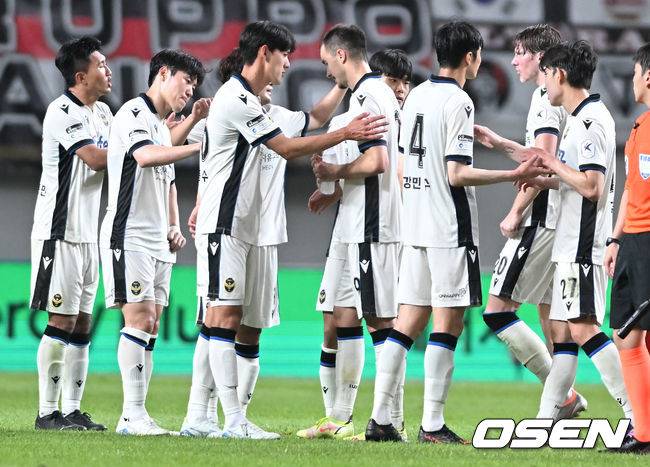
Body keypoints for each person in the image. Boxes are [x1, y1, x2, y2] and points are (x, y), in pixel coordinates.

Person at [194, 20, 386, 440]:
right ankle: (229, 421)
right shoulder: (235, 98)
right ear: (265, 52)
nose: (287, 65)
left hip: (252, 229)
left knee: (243, 324)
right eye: (285, 56)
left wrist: (344, 83)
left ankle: (216, 419)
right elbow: (285, 148)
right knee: (222, 317)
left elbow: (314, 118)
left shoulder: (262, 107)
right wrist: (346, 132)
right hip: (225, 224)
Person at [364, 21, 546, 443]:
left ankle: (380, 419)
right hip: (449, 229)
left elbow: (406, 165)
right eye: (479, 54)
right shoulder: (459, 101)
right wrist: (512, 174)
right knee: (447, 326)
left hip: (415, 227)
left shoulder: (415, 96)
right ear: (470, 56)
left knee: (406, 324)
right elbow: (457, 173)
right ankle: (432, 425)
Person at [513, 40, 633, 427]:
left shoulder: (591, 121)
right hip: (570, 243)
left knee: (582, 329)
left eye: (546, 73)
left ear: (560, 74)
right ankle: (546, 419)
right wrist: (542, 174)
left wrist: (550, 162)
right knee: (564, 335)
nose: (543, 82)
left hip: (583, 243)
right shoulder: (580, 118)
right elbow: (572, 179)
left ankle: (637, 415)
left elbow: (592, 187)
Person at [298, 44, 413, 441]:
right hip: (351, 227)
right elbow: (359, 172)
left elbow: (380, 163)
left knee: (381, 322)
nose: (327, 70)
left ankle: (392, 420)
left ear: (341, 55)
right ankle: (340, 418)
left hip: (373, 226)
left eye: (327, 61)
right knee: (343, 316)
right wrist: (330, 186)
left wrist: (335, 170)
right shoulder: (354, 108)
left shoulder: (372, 95)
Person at [473, 24, 586, 418]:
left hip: (543, 219)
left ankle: (563, 398)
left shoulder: (545, 99)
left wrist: (515, 211)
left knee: (497, 311)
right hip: (564, 220)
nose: (514, 60)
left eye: (520, 52)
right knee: (554, 321)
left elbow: (542, 163)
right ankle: (561, 404)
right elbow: (542, 158)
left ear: (540, 58)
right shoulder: (560, 98)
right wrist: (503, 144)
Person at [99, 49, 208, 435]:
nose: (190, 91)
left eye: (194, 86)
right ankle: (131, 416)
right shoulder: (133, 113)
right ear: (163, 74)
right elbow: (146, 157)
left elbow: (169, 181)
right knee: (140, 318)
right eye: (186, 81)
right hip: (128, 233)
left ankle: (139, 414)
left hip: (157, 239)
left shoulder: (161, 126)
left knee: (153, 325)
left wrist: (173, 224)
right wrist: (200, 146)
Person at [31, 36, 112, 431]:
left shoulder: (105, 114)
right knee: (61, 321)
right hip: (58, 232)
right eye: (101, 65)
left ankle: (73, 409)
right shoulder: (62, 111)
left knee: (81, 323)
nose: (108, 70)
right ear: (81, 76)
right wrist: (138, 148)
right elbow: (96, 159)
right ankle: (47, 413)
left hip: (87, 235)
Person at [605, 42, 650, 454]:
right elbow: (631, 189)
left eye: (634, 73)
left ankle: (646, 434)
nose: (632, 80)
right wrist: (616, 239)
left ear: (648, 76)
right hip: (632, 243)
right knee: (628, 337)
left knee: (635, 338)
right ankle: (645, 433)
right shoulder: (638, 126)